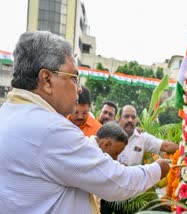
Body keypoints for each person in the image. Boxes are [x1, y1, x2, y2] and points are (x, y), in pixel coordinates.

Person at [0, 31, 170, 213]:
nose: (79, 88)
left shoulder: (9, 113)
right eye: (73, 78)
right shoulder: (50, 129)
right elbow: (117, 182)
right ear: (47, 79)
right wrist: (158, 169)